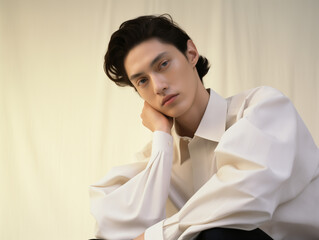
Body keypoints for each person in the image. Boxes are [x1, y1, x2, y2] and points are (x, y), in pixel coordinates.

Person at [89, 14, 319, 240]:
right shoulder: (158, 157)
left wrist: (158, 235)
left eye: (163, 64)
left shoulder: (262, 109)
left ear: (191, 54)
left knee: (217, 233)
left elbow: (247, 198)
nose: (158, 86)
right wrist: (160, 136)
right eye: (142, 81)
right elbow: (113, 230)